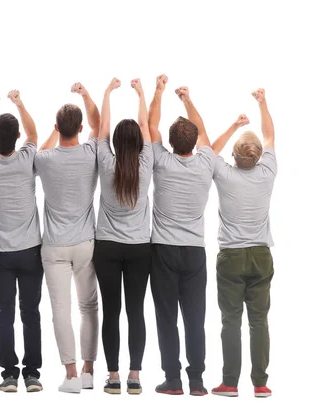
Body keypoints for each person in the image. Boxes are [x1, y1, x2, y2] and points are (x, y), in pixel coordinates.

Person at [147, 75, 215, 396]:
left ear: (171, 143)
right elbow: (201, 131)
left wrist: (159, 90)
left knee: (166, 318)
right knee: (195, 319)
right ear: (194, 142)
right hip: (194, 252)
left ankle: (173, 380)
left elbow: (151, 124)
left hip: (163, 251)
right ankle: (197, 381)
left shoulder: (160, 159)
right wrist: (187, 99)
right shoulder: (206, 163)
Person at [209, 88, 276, 398]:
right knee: (259, 320)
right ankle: (260, 383)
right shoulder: (267, 171)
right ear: (259, 157)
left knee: (231, 320)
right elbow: (269, 133)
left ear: (233, 156)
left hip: (231, 257)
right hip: (261, 256)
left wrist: (234, 127)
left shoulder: (223, 173)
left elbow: (209, 149)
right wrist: (262, 102)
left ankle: (230, 383)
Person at [0, 90, 43, 393]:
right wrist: (19, 102)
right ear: (16, 137)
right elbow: (34, 133)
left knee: (5, 312)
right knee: (31, 313)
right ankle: (32, 374)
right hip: (30, 251)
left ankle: (8, 375)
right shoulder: (27, 157)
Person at [33, 82, 100, 393]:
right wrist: (87, 95)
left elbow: (39, 149)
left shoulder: (45, 159)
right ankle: (88, 369)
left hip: (55, 246)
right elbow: (99, 126)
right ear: (81, 129)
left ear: (57, 127)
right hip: (85, 242)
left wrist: (53, 131)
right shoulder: (90, 153)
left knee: (61, 308)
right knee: (89, 307)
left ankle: (71, 375)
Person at [94, 77, 153, 395]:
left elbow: (102, 129)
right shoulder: (147, 163)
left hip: (106, 248)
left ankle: (113, 376)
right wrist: (141, 93)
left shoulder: (106, 162)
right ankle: (135, 376)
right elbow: (144, 124)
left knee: (111, 311)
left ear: (117, 143)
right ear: (141, 145)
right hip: (140, 250)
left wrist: (107, 93)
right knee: (135, 312)